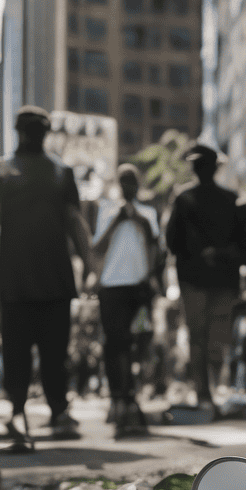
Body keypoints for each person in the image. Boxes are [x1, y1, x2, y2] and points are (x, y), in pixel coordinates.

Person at [0, 105, 93, 447]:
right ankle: (27, 411)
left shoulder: (57, 171)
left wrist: (90, 265)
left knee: (47, 353)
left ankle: (48, 411)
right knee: (30, 353)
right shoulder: (9, 169)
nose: (34, 134)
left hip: (42, 279)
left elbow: (75, 221)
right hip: (28, 280)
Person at [164, 143, 246, 416]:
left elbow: (171, 242)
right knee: (212, 337)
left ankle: (207, 393)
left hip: (206, 280)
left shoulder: (188, 198)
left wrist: (216, 255)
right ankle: (209, 392)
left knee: (203, 337)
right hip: (214, 280)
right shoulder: (224, 199)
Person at [91, 164, 162, 438]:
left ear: (138, 184)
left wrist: (140, 221)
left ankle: (130, 396)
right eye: (124, 181)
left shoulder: (148, 214)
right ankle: (119, 398)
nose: (129, 186)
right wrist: (118, 220)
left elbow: (155, 247)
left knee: (138, 342)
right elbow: (97, 247)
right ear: (118, 185)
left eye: (133, 181)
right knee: (114, 343)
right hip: (112, 287)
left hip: (139, 289)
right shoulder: (107, 211)